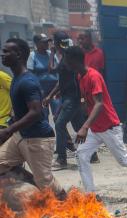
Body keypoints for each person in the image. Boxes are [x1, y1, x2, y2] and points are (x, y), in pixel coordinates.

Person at [63, 46, 127, 194]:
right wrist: (83, 106)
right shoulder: (79, 76)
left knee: (122, 160)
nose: (65, 64)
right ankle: (90, 194)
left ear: (75, 61)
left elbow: (99, 103)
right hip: (95, 128)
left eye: (67, 60)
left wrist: (84, 126)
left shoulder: (93, 76)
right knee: (81, 155)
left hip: (109, 127)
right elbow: (85, 99)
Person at [0, 38, 64, 197]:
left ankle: (72, 208)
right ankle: (35, 189)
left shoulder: (27, 81)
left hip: (37, 139)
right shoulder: (16, 78)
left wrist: (8, 130)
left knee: (47, 184)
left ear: (19, 54)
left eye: (7, 51)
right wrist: (12, 122)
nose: (2, 54)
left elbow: (36, 112)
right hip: (21, 136)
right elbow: (23, 110)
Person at [44, 31, 86, 170]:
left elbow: (51, 69)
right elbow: (62, 81)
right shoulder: (65, 56)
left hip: (71, 98)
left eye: (53, 42)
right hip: (69, 97)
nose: (52, 44)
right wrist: (51, 95)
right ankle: (90, 154)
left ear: (57, 43)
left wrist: (51, 53)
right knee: (76, 125)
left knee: (60, 124)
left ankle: (62, 159)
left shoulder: (67, 58)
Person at [27, 34, 60, 117]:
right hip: (41, 91)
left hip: (54, 90)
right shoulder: (32, 56)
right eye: (44, 42)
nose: (47, 44)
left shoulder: (51, 54)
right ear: (37, 43)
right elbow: (30, 74)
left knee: (58, 115)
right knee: (43, 115)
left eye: (47, 42)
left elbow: (58, 69)